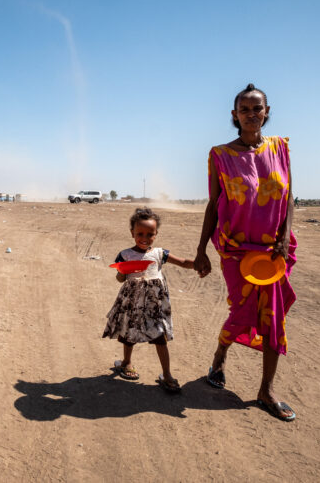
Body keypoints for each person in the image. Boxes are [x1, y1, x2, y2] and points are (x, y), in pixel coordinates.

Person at [193, 83, 298, 421]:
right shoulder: (220, 155)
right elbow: (214, 204)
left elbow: (289, 197)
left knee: (274, 318)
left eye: (257, 108)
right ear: (234, 115)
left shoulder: (281, 148)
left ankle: (266, 390)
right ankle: (220, 356)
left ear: (267, 113)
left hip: (272, 251)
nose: (252, 114)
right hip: (236, 250)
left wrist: (283, 238)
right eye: (245, 109)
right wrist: (200, 251)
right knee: (241, 313)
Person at [103, 207, 198, 393]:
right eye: (140, 233)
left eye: (150, 234)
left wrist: (198, 264)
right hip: (132, 301)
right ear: (132, 233)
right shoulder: (125, 255)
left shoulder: (160, 254)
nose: (144, 237)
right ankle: (126, 362)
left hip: (156, 304)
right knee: (129, 333)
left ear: (156, 234)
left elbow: (184, 262)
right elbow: (119, 278)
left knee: (160, 336)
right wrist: (124, 273)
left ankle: (167, 374)